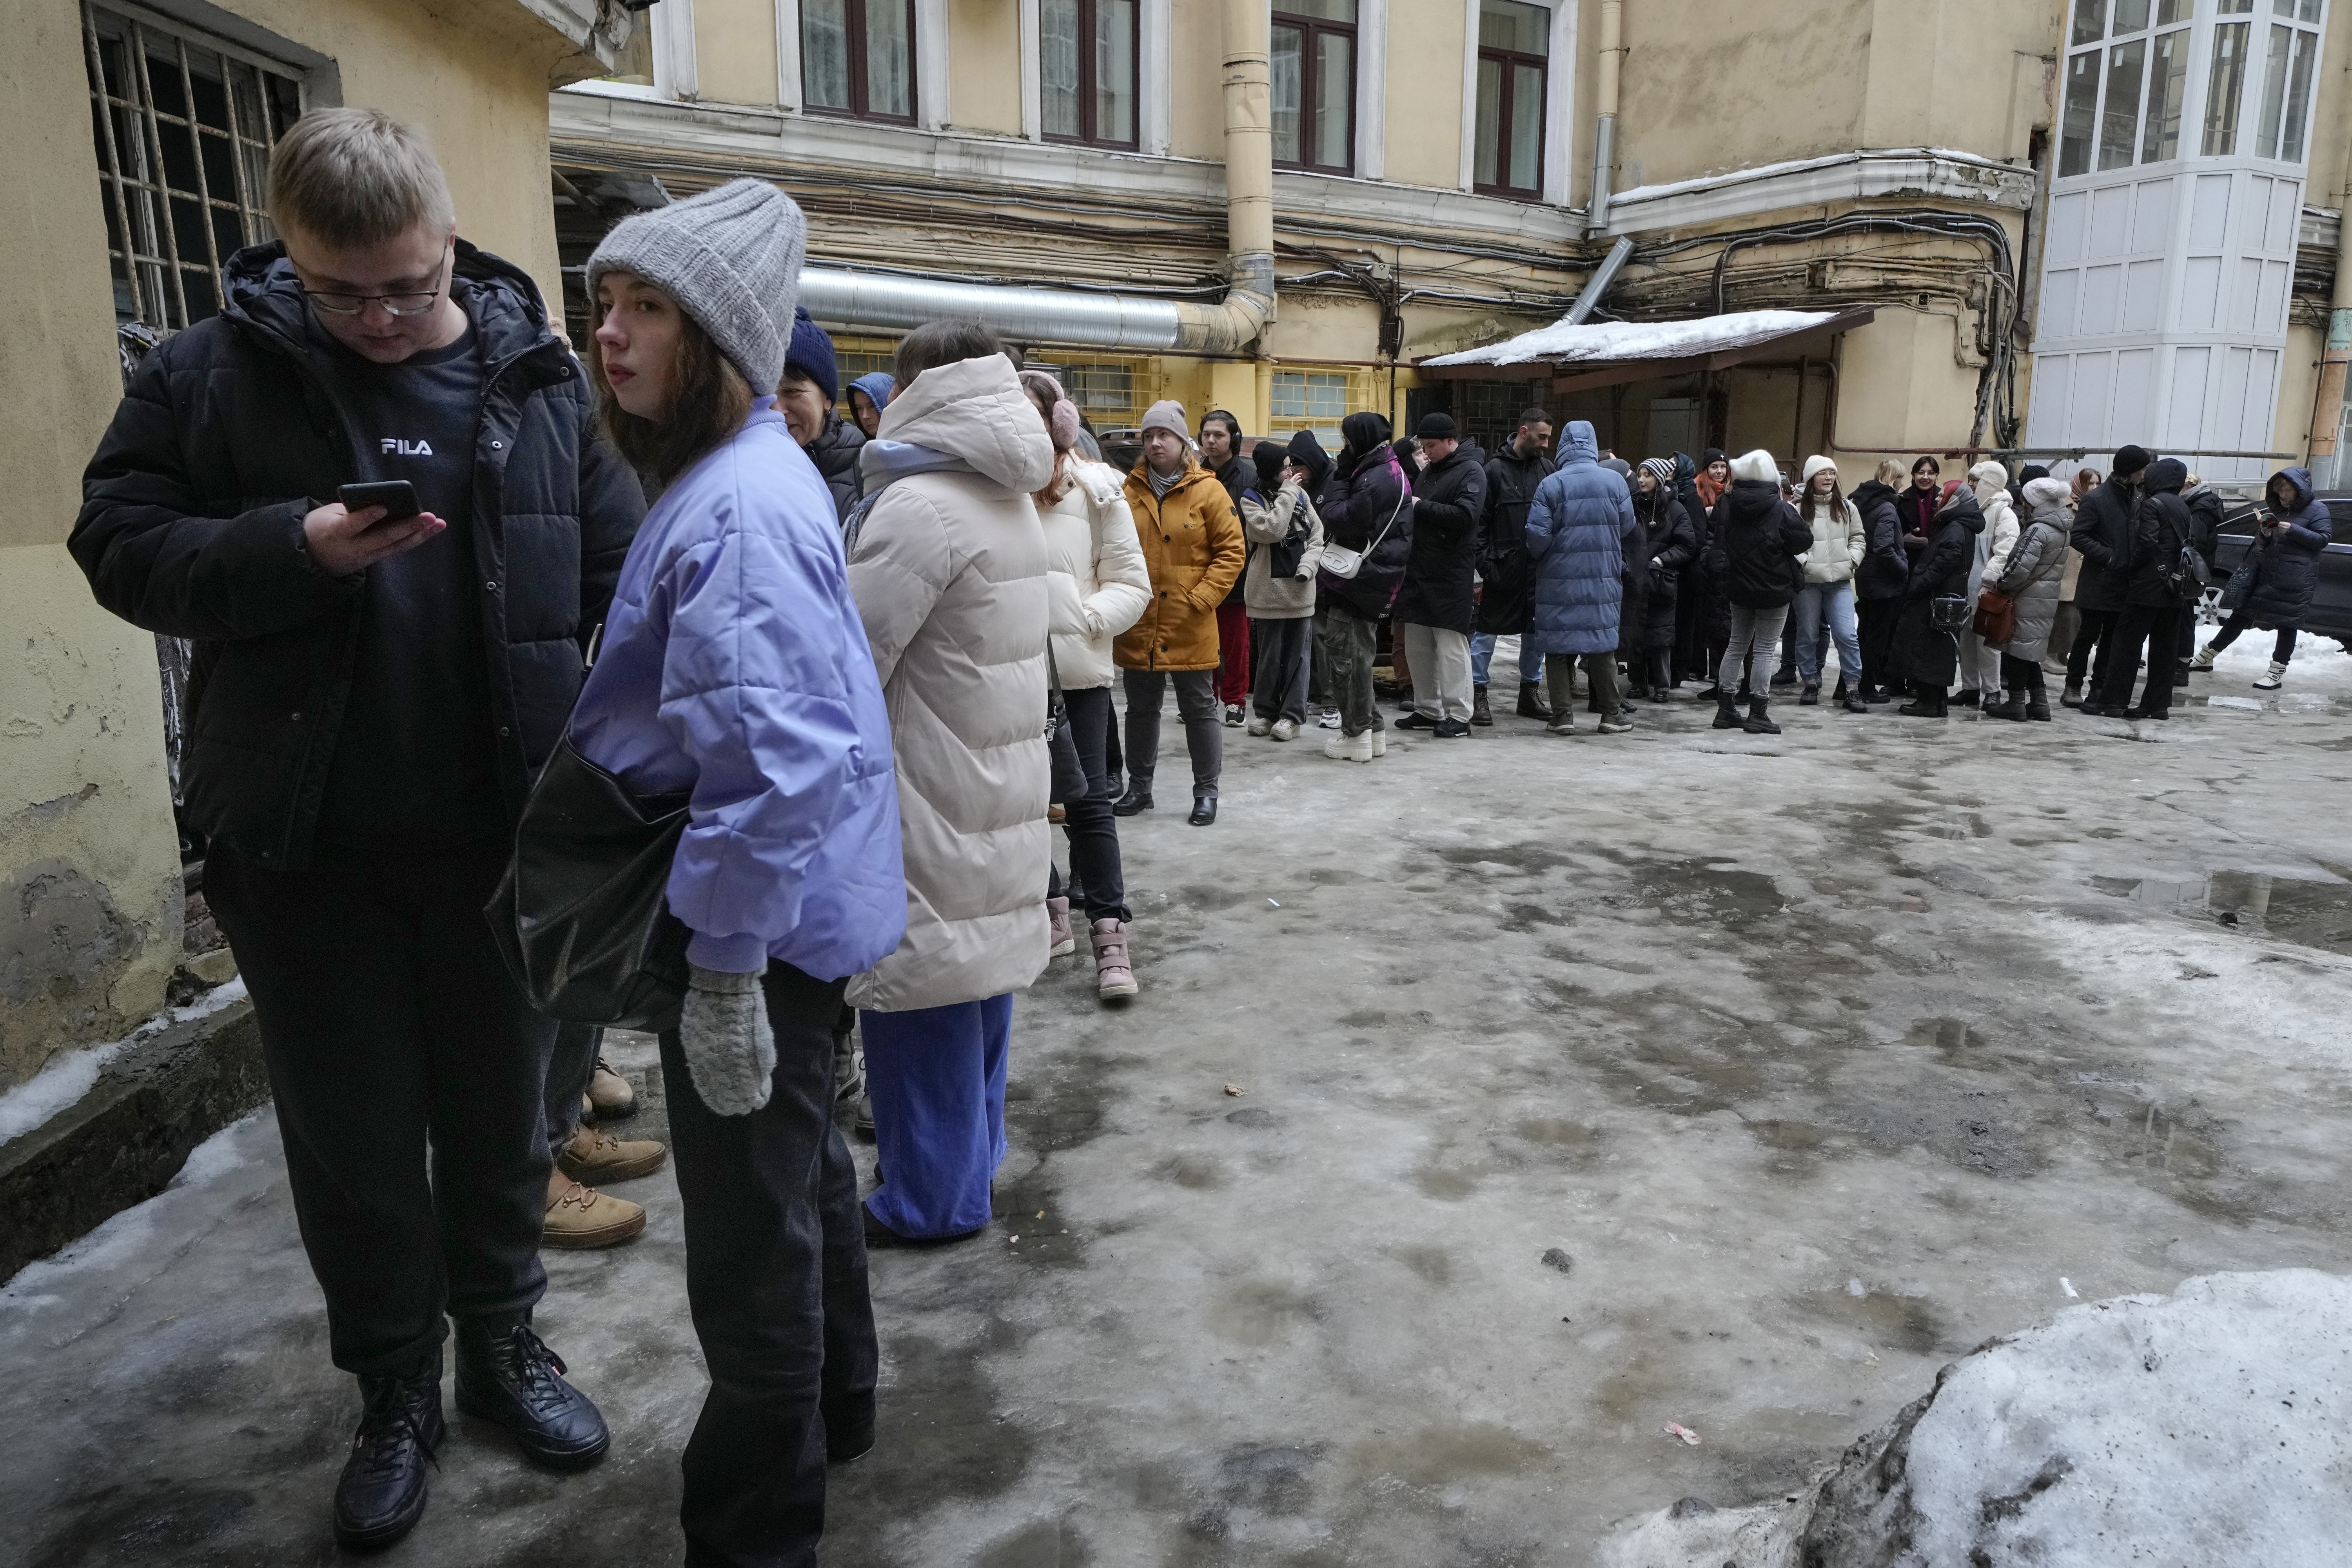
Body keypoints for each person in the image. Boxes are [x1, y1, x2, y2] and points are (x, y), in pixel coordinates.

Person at [71, 108, 642, 1550]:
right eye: (341, 293)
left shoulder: (534, 373)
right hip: (306, 848)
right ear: (290, 258)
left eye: (404, 283)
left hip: (504, 844)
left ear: (448, 238)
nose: (379, 319)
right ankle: (396, 1389)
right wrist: (288, 549)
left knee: (509, 1124)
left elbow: (623, 568)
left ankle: (504, 1346)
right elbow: (117, 541)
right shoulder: (213, 372)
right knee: (357, 1144)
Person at [572, 178, 905, 1561]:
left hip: (754, 933)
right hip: (785, 920)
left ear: (720, 341)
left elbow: (774, 769)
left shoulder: (743, 507)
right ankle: (840, 1402)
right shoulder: (739, 477)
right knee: (803, 1173)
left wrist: (716, 968)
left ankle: (759, 1531)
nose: (610, 332)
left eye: (649, 308)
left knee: (749, 1249)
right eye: (605, 301)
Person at [845, 319, 1054, 1245]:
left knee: (920, 989)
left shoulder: (918, 505)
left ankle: (929, 1198)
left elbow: (851, 659)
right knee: (977, 983)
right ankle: (973, 1159)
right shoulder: (1005, 493)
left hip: (927, 785)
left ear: (914, 389)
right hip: (993, 778)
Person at [1026, 371, 1149, 999]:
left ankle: (1109, 932)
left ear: (1060, 425)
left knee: (1090, 805)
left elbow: (1132, 583)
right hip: (1006, 673)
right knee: (1016, 804)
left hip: (1078, 673)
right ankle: (1051, 905)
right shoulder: (988, 489)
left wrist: (1082, 621)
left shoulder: (1099, 490)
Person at [1115, 401, 1246, 823]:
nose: (1155, 443)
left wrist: (1202, 598)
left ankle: (1206, 793)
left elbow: (1232, 551)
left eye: (1164, 435)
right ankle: (1139, 788)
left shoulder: (1208, 490)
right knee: (1140, 709)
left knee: (1199, 708)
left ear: (1181, 440)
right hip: (1140, 621)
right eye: (1148, 435)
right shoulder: (1127, 492)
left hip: (1190, 621)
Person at [1524, 420, 1638, 736]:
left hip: (1557, 579)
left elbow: (1537, 537)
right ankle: (1611, 715)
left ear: (1563, 445)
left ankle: (1562, 717)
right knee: (1602, 646)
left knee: (1558, 648)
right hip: (1603, 576)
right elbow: (1627, 525)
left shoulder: (1551, 484)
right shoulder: (1615, 482)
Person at [1317, 412, 1412, 761]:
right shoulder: (1384, 470)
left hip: (1361, 579)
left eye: (1347, 439)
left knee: (1346, 658)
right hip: (1373, 576)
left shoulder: (1374, 478)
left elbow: (1338, 517)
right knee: (1358, 655)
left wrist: (1339, 477)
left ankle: (1355, 732)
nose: (1343, 446)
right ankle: (1372, 728)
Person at [1702, 450, 1813, 735]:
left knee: (1736, 644)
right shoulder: (1781, 508)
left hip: (1738, 586)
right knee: (1764, 650)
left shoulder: (1727, 504)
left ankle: (1725, 709)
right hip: (1774, 589)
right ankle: (1758, 712)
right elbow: (1804, 541)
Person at [1392, 412, 1488, 738]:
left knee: (1450, 647)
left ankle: (1460, 715)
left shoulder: (1471, 471)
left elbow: (1466, 515)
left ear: (1451, 441)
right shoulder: (1430, 473)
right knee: (1418, 645)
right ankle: (1427, 708)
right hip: (1420, 572)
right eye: (1424, 446)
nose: (1426, 452)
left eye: (1432, 446)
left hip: (1450, 575)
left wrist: (1420, 507)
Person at [2193, 465, 2328, 691]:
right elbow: (2260, 545)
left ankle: (2276, 672)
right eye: (2280, 491)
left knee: (2286, 623)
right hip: (2265, 572)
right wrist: (2265, 534)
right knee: (2241, 614)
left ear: (2300, 489)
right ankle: (2208, 655)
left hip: (2294, 577)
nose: (2283, 495)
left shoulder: (2317, 510)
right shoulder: (2277, 509)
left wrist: (2293, 530)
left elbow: (2323, 539)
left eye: (2288, 490)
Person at [2087, 457, 2197, 719]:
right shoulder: (2184, 505)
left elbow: (2147, 542)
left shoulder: (2153, 504)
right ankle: (2157, 704)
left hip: (2148, 586)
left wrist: (2133, 567)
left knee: (2126, 644)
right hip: (2175, 587)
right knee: (2165, 649)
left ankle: (2113, 702)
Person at [1239, 434, 1326, 739]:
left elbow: (1318, 535)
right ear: (1270, 471)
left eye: (1292, 467)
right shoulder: (1251, 498)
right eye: (1285, 468)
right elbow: (1272, 530)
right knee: (1269, 656)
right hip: (1268, 592)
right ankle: (1265, 712)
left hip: (1301, 589)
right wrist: (1289, 492)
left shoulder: (1300, 496)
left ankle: (1291, 717)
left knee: (1298, 658)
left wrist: (1309, 565)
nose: (1291, 473)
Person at [1472, 407, 1556, 724]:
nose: (1546, 443)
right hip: (1501, 570)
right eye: (1541, 436)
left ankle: (1530, 694)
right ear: (1524, 432)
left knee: (1535, 636)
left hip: (1537, 571)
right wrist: (1486, 564)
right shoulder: (1493, 471)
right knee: (1486, 634)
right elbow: (1479, 524)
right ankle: (1478, 693)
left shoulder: (1547, 470)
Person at [1892, 479, 1986, 717]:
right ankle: (1937, 701)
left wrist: (1920, 583)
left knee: (1929, 648)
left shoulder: (1954, 526)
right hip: (1947, 597)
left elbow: (1947, 560)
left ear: (1954, 500)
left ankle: (1928, 702)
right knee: (1938, 649)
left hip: (1938, 596)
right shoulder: (1956, 523)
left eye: (1942, 494)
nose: (1936, 497)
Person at [2064, 445, 2148, 707]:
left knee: (2111, 639)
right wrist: (2109, 556)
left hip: (2124, 583)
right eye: (2143, 468)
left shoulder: (2138, 496)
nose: (2146, 472)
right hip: (2098, 580)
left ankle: (2099, 688)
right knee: (2087, 635)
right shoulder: (2097, 498)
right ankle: (2073, 686)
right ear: (2131, 470)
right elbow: (2078, 536)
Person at [1984, 475, 2073, 721]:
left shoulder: (2038, 530)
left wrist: (2001, 584)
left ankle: (2015, 704)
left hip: (2026, 599)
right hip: (2044, 599)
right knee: (2030, 652)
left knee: (2017, 653)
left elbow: (2019, 567)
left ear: (2033, 503)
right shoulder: (2062, 529)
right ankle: (2040, 705)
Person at [1789, 456, 1867, 710]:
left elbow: (1858, 537)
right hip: (1809, 584)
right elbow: (1789, 543)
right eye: (1822, 474)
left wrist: (1852, 560)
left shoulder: (1847, 508)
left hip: (1840, 583)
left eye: (1832, 474)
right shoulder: (1797, 509)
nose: (1829, 478)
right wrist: (1805, 562)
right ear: (1811, 478)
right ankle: (1811, 682)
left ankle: (1853, 688)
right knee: (1808, 635)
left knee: (1847, 635)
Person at [775, 306, 864, 524]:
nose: (777, 410)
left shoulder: (866, 469)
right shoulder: (744, 466)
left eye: (792, 392)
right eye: (764, 394)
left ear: (827, 399)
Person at [1626, 457, 1700, 701]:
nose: (1641, 479)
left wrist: (1662, 561)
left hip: (1662, 581)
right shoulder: (1633, 506)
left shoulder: (1676, 509)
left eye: (1648, 475)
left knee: (1660, 636)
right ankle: (1637, 683)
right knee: (1635, 631)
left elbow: (1688, 544)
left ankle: (1662, 686)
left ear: (1659, 477)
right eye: (1640, 474)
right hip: (1634, 579)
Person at [1199, 409, 1254, 726]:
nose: (1211, 441)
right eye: (1207, 434)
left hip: (1236, 578)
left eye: (1219, 435)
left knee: (1235, 646)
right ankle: (1207, 698)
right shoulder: (1194, 475)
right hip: (1198, 576)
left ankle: (1235, 701)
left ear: (1233, 439)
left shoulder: (1248, 479)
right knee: (1201, 645)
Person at [1956, 460, 2019, 708]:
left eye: (1975, 480)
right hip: (1965, 586)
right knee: (1966, 641)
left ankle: (1992, 691)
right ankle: (1970, 689)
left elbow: (2005, 551)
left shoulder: (2003, 513)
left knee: (1987, 642)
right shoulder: (1972, 509)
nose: (1970, 484)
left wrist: (1990, 581)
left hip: (1986, 589)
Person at [1849, 458, 1909, 704]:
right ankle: (1867, 687)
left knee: (1862, 634)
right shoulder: (1887, 508)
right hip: (1884, 583)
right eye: (1901, 478)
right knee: (1875, 638)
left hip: (1865, 577)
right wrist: (1903, 568)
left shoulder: (1862, 503)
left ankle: (1847, 686)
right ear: (1893, 479)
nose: (1902, 484)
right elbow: (1884, 547)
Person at [848, 369, 894, 439]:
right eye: (859, 408)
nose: (865, 416)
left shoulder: (910, 446)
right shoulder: (855, 445)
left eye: (872, 406)